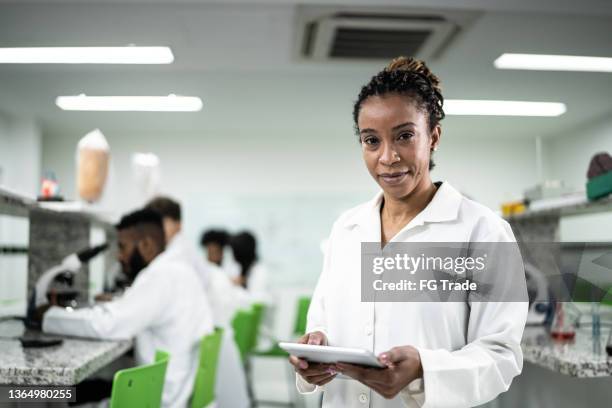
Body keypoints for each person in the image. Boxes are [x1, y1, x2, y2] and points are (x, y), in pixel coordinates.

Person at [289, 57, 528, 407]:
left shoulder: (483, 231)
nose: (387, 157)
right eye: (372, 141)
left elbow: (501, 354)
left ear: (433, 136)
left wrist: (424, 371)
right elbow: (321, 322)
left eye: (404, 136)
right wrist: (314, 351)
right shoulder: (346, 229)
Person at [42, 209, 213, 408]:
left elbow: (108, 324)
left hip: (158, 400)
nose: (119, 256)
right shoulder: (180, 270)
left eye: (123, 247)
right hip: (173, 391)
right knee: (75, 390)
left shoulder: (159, 275)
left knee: (41, 395)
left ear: (147, 245)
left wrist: (47, 315)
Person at [146, 196, 251, 408]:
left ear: (178, 224)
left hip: (211, 340)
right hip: (212, 338)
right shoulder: (182, 255)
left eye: (161, 223)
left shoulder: (176, 258)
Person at [228, 231, 269, 303]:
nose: (233, 256)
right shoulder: (238, 269)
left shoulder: (259, 272)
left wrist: (233, 287)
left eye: (235, 252)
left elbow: (256, 301)